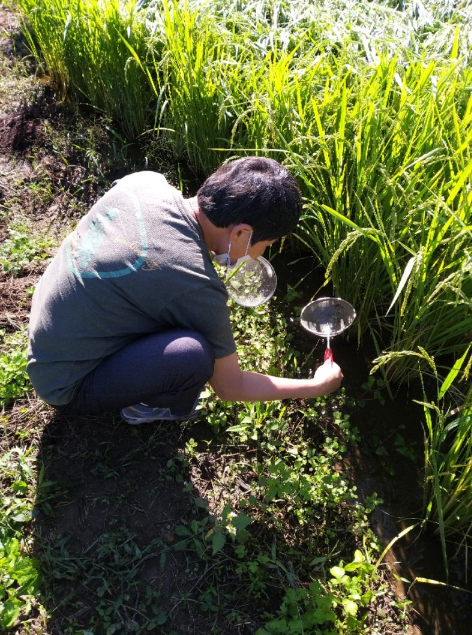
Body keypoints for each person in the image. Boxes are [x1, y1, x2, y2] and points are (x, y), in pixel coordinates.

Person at [27, 156, 343, 424]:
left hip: (48, 331)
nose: (260, 253)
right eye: (266, 245)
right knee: (193, 355)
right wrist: (315, 386)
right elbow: (231, 386)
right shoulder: (196, 284)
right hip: (66, 384)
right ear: (241, 233)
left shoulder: (146, 182)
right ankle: (150, 408)